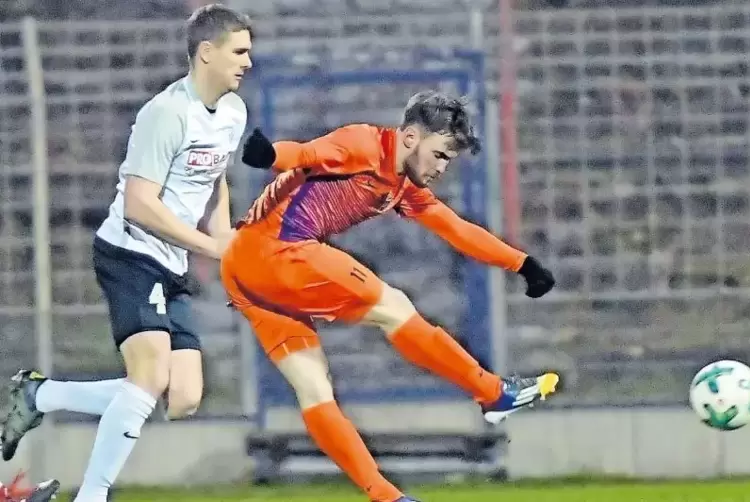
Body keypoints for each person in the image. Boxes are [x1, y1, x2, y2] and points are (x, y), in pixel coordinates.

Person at [222, 90, 559, 502]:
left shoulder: (404, 186)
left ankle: (385, 495)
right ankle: (492, 393)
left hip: (241, 269)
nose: (442, 167)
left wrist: (521, 263)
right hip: (278, 251)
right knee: (395, 306)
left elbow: (457, 229)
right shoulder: (364, 143)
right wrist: (271, 155)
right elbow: (307, 154)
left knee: (313, 387)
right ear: (413, 138)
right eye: (440, 155)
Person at [0, 5, 252, 501]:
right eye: (239, 51)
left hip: (174, 261)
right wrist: (209, 246)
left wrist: (225, 238)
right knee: (149, 377)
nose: (248, 61)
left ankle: (39, 394)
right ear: (206, 52)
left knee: (182, 398)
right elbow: (138, 205)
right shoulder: (165, 113)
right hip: (131, 254)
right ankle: (91, 496)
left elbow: (215, 176)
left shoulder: (234, 112)